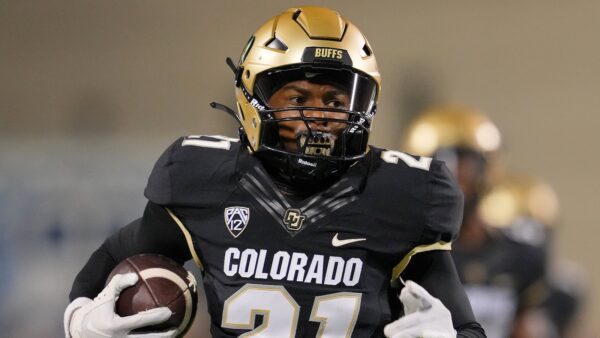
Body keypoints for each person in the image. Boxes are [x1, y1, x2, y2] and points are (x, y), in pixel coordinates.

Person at [64, 6, 486, 338]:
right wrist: (79, 319)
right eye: (298, 98)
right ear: (254, 97)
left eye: (335, 102)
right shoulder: (201, 179)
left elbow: (467, 328)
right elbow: (111, 256)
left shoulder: (399, 194)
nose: (318, 116)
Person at [402, 106, 546, 338]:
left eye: (465, 165)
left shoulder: (519, 255)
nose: (457, 177)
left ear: (486, 168)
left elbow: (524, 326)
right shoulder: (405, 250)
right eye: (444, 165)